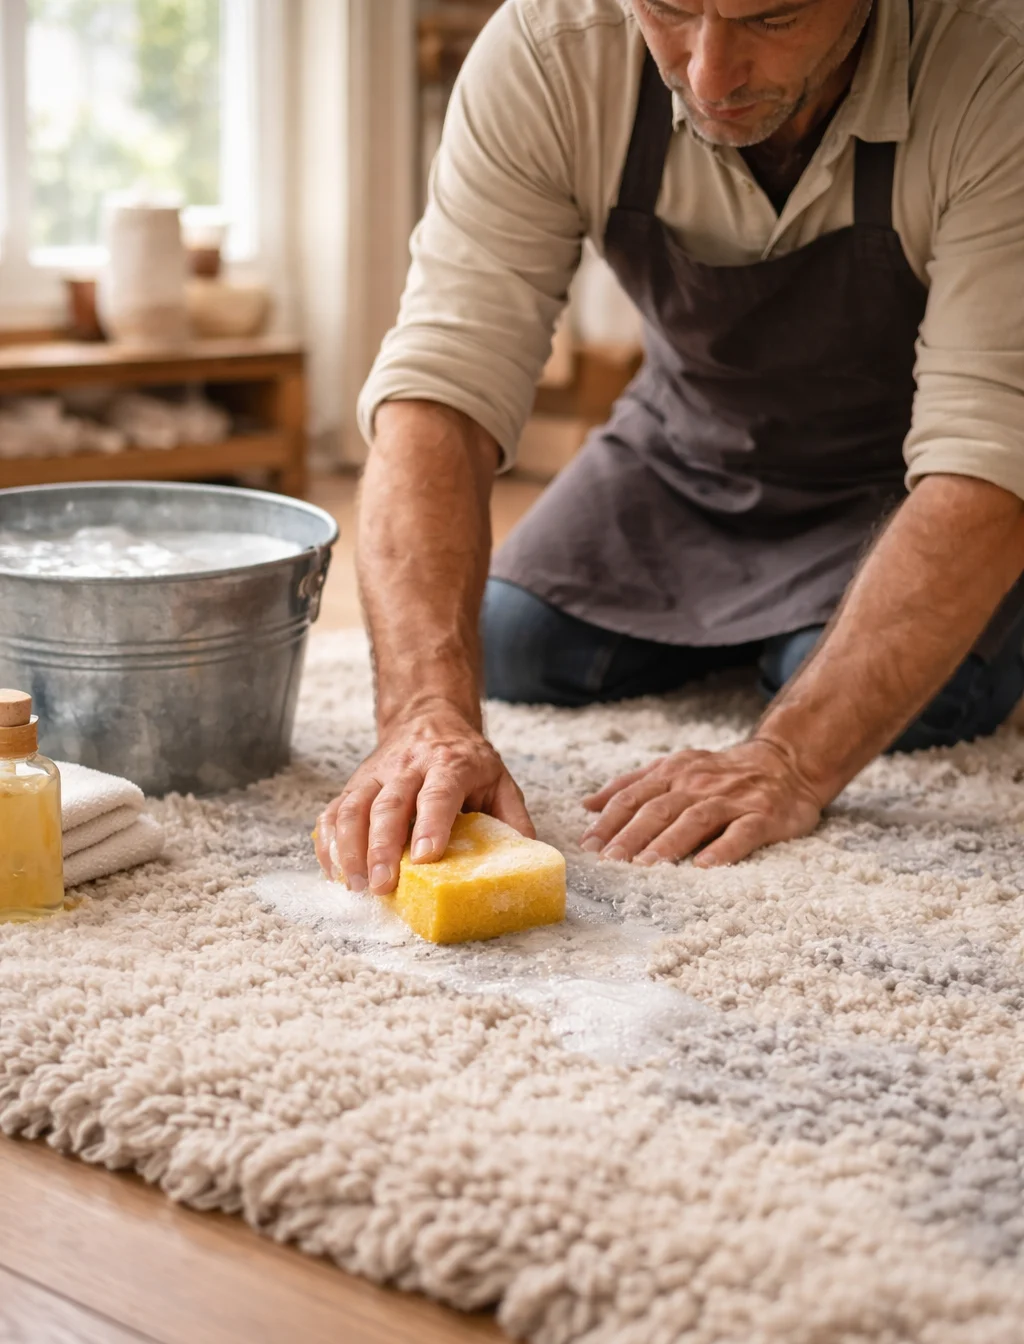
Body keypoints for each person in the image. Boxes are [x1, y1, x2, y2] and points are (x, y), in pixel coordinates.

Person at [315, 0, 1024, 895]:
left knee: (865, 690)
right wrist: (422, 713)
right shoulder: (548, 49)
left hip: (916, 479)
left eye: (772, 17)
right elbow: (440, 388)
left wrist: (791, 757)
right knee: (514, 641)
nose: (708, 74)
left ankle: (808, 646)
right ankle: (780, 634)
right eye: (672, 10)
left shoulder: (1000, 65)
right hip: (688, 444)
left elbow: (987, 453)